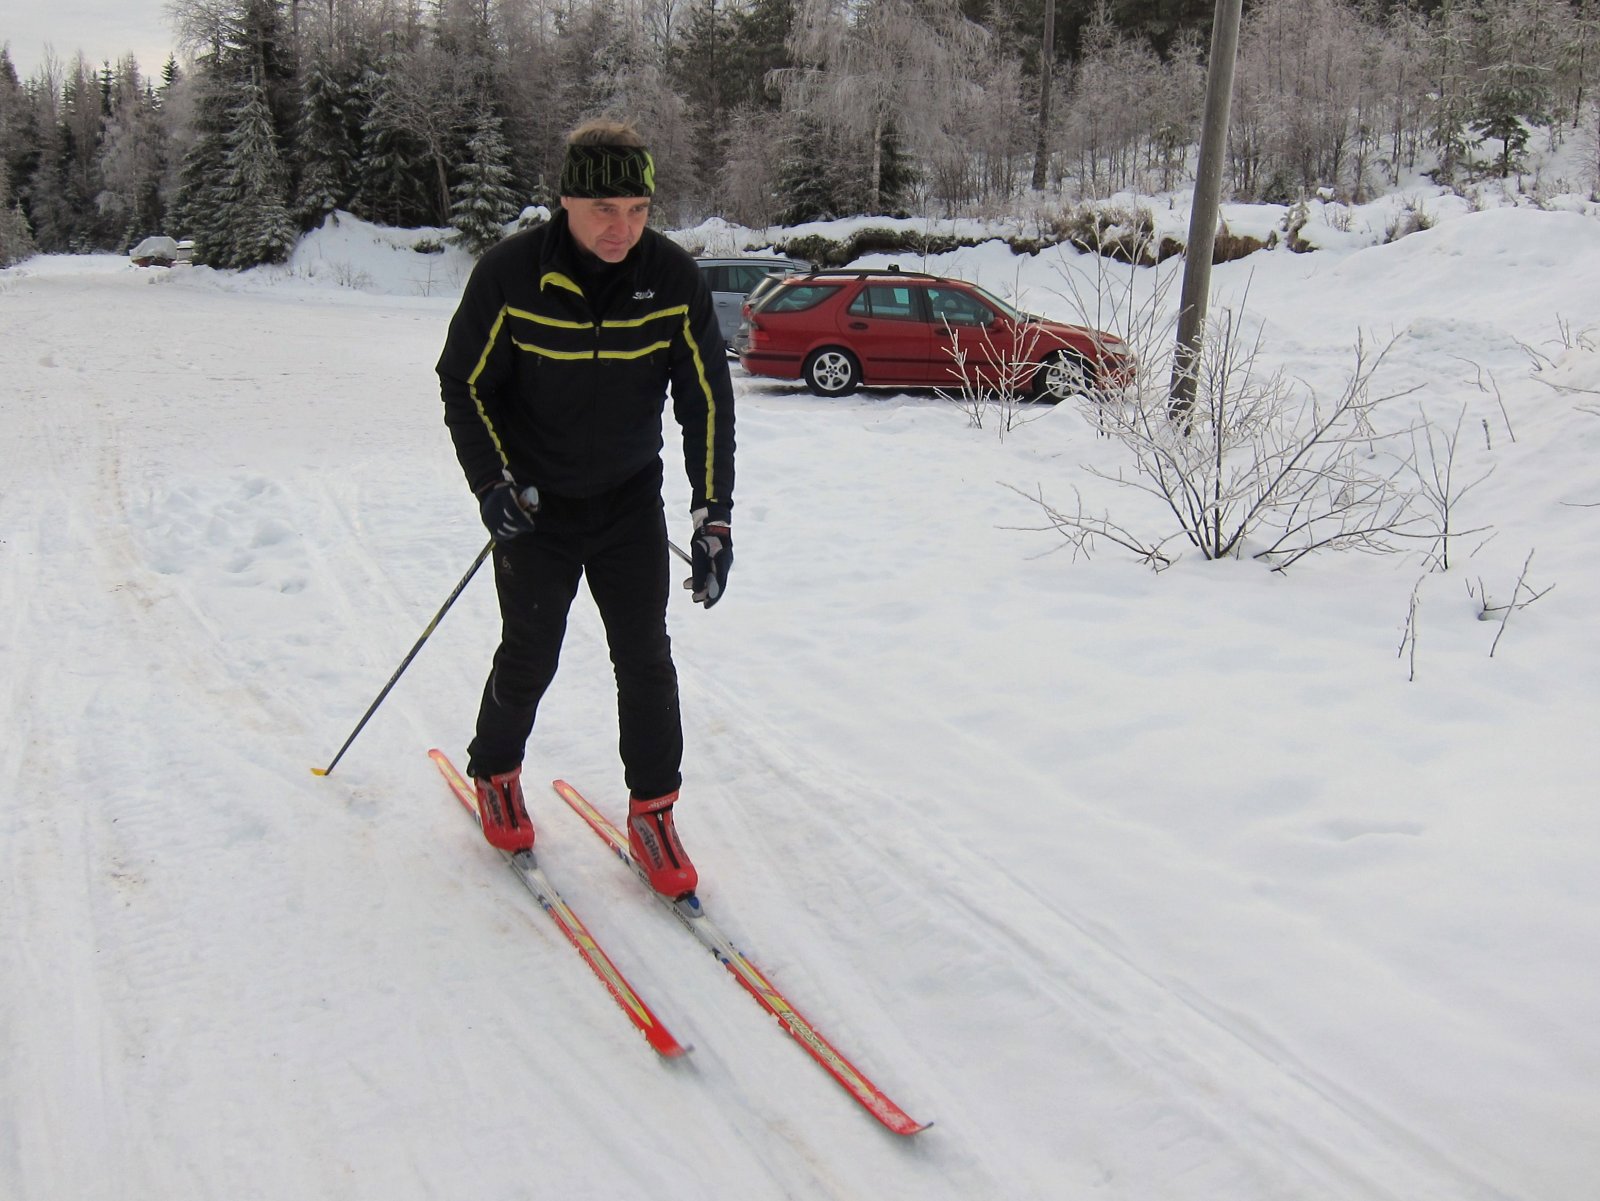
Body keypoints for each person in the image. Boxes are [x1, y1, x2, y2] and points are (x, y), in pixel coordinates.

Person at [436, 118, 735, 899]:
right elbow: (464, 383)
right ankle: (496, 769)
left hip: (629, 501)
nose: (621, 227)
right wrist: (490, 483)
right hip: (537, 505)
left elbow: (706, 400)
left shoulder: (670, 279)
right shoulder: (510, 276)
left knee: (645, 655)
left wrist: (714, 516)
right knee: (530, 650)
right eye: (604, 208)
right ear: (565, 199)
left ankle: (654, 809)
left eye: (637, 209)